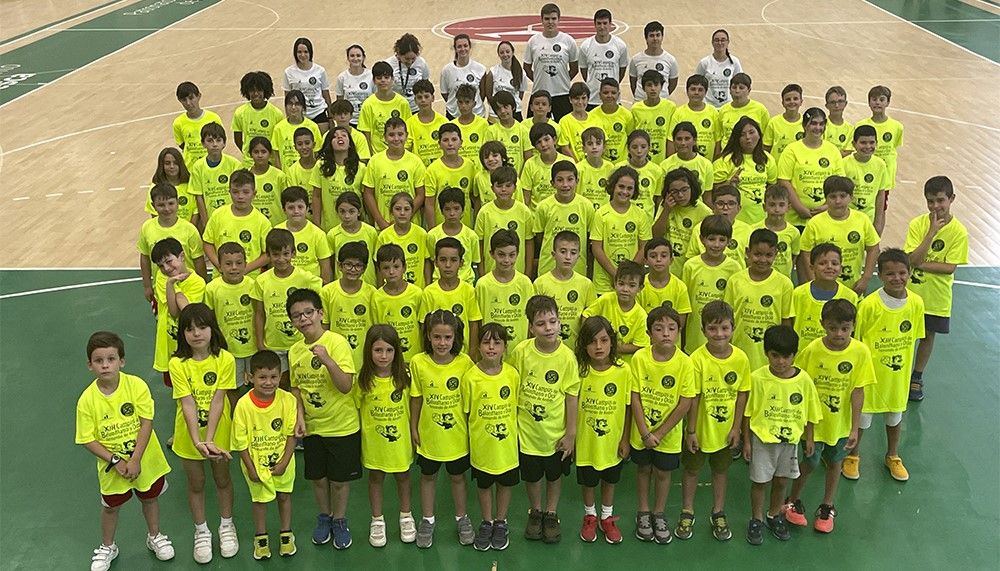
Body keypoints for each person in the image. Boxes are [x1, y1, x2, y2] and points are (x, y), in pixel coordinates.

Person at [76, 331, 175, 571]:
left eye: (111, 359)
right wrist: (116, 460)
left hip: (145, 462)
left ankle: (155, 536)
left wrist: (136, 459)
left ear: (122, 361)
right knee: (111, 507)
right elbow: (87, 439)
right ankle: (108, 546)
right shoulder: (87, 400)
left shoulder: (136, 385)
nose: (105, 365)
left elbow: (146, 422)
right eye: (99, 361)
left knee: (150, 499)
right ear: (90, 365)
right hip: (113, 468)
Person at [785, 299, 874, 533]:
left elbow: (858, 391)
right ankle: (792, 501)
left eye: (845, 328)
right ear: (822, 324)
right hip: (814, 425)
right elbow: (801, 388)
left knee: (836, 463)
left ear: (853, 326)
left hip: (841, 426)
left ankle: (827, 505)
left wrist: (855, 427)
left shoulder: (860, 352)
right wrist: (806, 427)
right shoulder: (812, 351)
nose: (839, 333)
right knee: (810, 463)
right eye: (833, 327)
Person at [286, 288, 359, 549]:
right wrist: (299, 416)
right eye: (297, 316)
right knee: (318, 478)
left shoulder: (336, 342)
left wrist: (327, 360)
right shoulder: (294, 351)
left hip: (341, 426)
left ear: (320, 313)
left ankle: (340, 519)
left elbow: (345, 386)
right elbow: (296, 388)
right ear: (292, 322)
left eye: (308, 312)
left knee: (339, 480)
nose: (304, 319)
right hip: (313, 427)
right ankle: (324, 517)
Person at [843, 249, 925, 482]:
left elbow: (915, 339)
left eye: (902, 273)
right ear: (880, 274)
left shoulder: (916, 304)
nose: (897, 278)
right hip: (871, 376)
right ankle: (853, 455)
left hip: (897, 377)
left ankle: (892, 455)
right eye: (890, 274)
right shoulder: (869, 305)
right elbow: (857, 341)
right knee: (862, 419)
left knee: (895, 417)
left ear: (910, 272)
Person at [169, 303, 239, 563]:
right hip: (189, 435)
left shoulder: (225, 359)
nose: (196, 333)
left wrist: (209, 439)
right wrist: (197, 440)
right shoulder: (177, 363)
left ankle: (226, 525)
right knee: (196, 484)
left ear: (213, 329)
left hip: (218, 431)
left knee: (222, 480)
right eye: (189, 329)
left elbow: (219, 400)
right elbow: (187, 403)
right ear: (183, 334)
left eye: (202, 327)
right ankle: (201, 531)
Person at [675, 301, 750, 542]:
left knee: (720, 471)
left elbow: (741, 395)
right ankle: (687, 510)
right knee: (691, 470)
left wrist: (737, 427)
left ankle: (718, 511)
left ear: (733, 328)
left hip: (726, 431)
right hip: (700, 430)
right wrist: (692, 430)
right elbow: (694, 397)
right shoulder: (696, 359)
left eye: (725, 328)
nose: (719, 334)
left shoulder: (741, 359)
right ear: (704, 329)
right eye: (713, 329)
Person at [510, 295, 580, 544]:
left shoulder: (567, 357)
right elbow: (512, 386)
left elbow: (572, 397)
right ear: (530, 327)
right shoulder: (521, 352)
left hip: (555, 434)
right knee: (532, 477)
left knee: (553, 476)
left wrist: (570, 434)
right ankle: (536, 510)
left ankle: (551, 512)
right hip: (527, 432)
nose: (548, 328)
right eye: (541, 323)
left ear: (560, 322)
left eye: (553, 321)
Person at [742, 325, 822, 546]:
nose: (781, 362)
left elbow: (810, 412)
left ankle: (773, 514)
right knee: (760, 482)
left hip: (790, 443)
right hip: (762, 441)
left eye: (787, 356)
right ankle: (756, 518)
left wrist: (809, 438)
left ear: (794, 355)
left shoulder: (804, 380)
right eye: (775, 356)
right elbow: (748, 413)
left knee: (781, 481)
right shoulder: (757, 378)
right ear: (766, 353)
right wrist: (746, 441)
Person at [409, 310, 476, 547]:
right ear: (427, 336)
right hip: (429, 436)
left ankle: (462, 518)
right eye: (437, 337)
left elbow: (470, 402)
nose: (442, 343)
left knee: (458, 478)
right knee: (428, 477)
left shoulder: (465, 362)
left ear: (455, 337)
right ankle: (427, 520)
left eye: (447, 337)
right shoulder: (418, 362)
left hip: (457, 436)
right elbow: (416, 398)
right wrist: (413, 427)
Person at [630, 306, 695, 544]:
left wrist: (660, 432)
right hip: (642, 433)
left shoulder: (685, 363)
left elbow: (685, 402)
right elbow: (634, 397)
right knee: (643, 470)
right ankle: (643, 512)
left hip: (668, 436)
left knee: (663, 473)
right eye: (658, 329)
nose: (665, 333)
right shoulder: (639, 358)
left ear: (679, 331)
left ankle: (659, 513)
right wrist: (645, 433)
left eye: (671, 328)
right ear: (649, 333)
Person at [231, 350, 299, 560]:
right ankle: (261, 538)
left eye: (273, 377)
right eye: (262, 377)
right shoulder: (243, 405)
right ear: (250, 378)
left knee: (284, 496)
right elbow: (240, 442)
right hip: (255, 464)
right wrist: (251, 468)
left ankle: (286, 534)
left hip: (283, 462)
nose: (268, 382)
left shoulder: (288, 400)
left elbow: (291, 434)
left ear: (280, 376)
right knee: (259, 501)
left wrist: (285, 462)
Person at [904, 176, 968, 401]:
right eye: (930, 201)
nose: (935, 206)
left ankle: (917, 377)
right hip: (911, 294)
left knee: (927, 336)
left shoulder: (959, 232)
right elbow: (911, 259)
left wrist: (920, 263)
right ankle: (901, 375)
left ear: (952, 199)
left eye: (940, 200)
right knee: (905, 335)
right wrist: (930, 233)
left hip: (936, 297)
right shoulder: (918, 225)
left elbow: (949, 267)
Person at [355, 326, 416, 547]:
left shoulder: (405, 378)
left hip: (400, 443)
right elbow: (355, 408)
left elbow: (413, 408)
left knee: (403, 477)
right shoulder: (363, 381)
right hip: (374, 445)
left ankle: (406, 515)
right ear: (369, 352)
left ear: (396, 352)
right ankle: (377, 519)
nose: (383, 356)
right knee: (376, 478)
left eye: (389, 350)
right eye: (378, 350)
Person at [575, 316, 632, 544]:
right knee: (588, 481)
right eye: (592, 342)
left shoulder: (623, 371)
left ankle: (607, 518)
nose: (598, 347)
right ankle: (590, 515)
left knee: (609, 480)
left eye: (604, 340)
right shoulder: (579, 370)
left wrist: (625, 439)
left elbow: (627, 408)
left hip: (612, 441)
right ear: (583, 345)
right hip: (586, 441)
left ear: (612, 342)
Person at [464, 324, 520, 551]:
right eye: (486, 342)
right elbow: (467, 413)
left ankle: (500, 521)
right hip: (482, 447)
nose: (491, 347)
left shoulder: (512, 375)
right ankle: (486, 521)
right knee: (485, 485)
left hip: (506, 448)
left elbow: (515, 408)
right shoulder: (470, 378)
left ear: (505, 348)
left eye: (497, 343)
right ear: (478, 347)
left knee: (505, 483)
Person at [251, 229, 323, 377]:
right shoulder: (261, 281)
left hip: (301, 341)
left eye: (286, 254)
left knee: (302, 379)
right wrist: (260, 343)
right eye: (276, 255)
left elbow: (324, 297)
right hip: (273, 344)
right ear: (268, 255)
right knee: (281, 382)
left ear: (293, 253)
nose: (281, 259)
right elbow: (259, 314)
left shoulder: (305, 278)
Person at [724, 229, 794, 370]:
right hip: (740, 351)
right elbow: (728, 318)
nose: (762, 260)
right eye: (757, 254)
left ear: (776, 254)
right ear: (748, 252)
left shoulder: (784, 284)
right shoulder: (735, 281)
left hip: (770, 358)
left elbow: (786, 322)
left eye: (768, 255)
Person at [799, 176, 879, 292]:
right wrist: (813, 280)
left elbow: (873, 248)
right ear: (826, 198)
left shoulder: (862, 220)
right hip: (823, 287)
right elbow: (806, 253)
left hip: (852, 287)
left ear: (851, 197)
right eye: (832, 196)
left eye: (842, 196)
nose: (837, 201)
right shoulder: (814, 223)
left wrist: (865, 279)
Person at [777, 107, 846, 230]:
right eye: (813, 123)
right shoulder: (791, 150)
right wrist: (799, 208)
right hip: (795, 219)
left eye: (821, 124)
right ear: (805, 126)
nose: (818, 128)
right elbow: (784, 181)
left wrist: (826, 207)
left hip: (825, 218)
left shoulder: (833, 150)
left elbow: (839, 183)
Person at [138, 183, 207, 304]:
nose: (167, 209)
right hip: (161, 287)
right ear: (153, 206)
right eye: (161, 205)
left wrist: (203, 283)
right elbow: (144, 257)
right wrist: (147, 286)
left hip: (188, 287)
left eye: (171, 203)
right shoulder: (147, 228)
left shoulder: (189, 229)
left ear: (178, 203)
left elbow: (199, 260)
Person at [681, 215, 741, 353]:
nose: (716, 244)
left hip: (722, 339)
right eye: (711, 239)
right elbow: (685, 305)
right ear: (702, 239)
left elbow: (734, 305)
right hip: (695, 338)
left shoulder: (735, 267)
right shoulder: (691, 266)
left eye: (722, 240)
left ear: (729, 241)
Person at [152, 238, 206, 386]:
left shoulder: (197, 283)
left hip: (191, 345)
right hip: (169, 344)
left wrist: (175, 291)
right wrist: (171, 285)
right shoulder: (162, 278)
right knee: (177, 387)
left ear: (182, 256)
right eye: (161, 266)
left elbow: (185, 311)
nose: (166, 269)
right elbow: (174, 310)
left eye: (169, 261)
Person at [203, 242, 258, 383]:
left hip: (254, 347)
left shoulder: (253, 285)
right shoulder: (212, 289)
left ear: (245, 264)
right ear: (219, 266)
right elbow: (209, 319)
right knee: (233, 386)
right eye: (228, 264)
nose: (234, 268)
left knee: (256, 383)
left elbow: (260, 314)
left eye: (239, 263)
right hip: (228, 349)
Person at [533, 230, 597, 348]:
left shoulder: (586, 285)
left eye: (573, 253)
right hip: (547, 349)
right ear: (553, 254)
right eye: (563, 251)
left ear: (578, 256)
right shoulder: (540, 284)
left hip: (576, 349)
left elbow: (590, 322)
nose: (568, 257)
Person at [591, 166, 651, 293]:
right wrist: (616, 275)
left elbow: (644, 247)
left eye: (629, 188)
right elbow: (596, 248)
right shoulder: (601, 214)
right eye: (621, 186)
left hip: (630, 284)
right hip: (604, 283)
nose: (625, 192)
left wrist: (628, 276)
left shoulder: (641, 215)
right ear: (613, 186)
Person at [201, 169, 270, 278]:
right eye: (235, 192)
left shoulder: (262, 222)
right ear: (229, 192)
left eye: (245, 192)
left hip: (250, 280)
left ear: (254, 193)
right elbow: (207, 243)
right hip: (220, 279)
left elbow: (268, 253)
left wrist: (245, 269)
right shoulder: (218, 214)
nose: (240, 196)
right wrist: (220, 266)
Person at [790, 243, 858, 351]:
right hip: (802, 357)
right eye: (822, 263)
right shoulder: (798, 294)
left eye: (834, 263)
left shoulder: (851, 297)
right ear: (812, 267)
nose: (829, 267)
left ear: (841, 268)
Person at [421, 238, 483, 354]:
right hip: (437, 354)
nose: (448, 265)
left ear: (461, 263)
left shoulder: (468, 290)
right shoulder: (429, 292)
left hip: (462, 354)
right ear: (436, 263)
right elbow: (424, 326)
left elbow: (474, 323)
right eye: (443, 260)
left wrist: (472, 351)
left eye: (453, 260)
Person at [320, 242, 376, 369]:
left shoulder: (372, 293)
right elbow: (324, 327)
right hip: (337, 356)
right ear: (339, 265)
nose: (353, 269)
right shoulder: (327, 292)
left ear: (365, 268)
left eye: (358, 266)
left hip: (364, 357)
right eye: (348, 265)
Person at [476, 230, 535, 349]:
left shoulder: (525, 283)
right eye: (501, 255)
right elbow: (477, 323)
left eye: (511, 255)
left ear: (518, 253)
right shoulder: (483, 285)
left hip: (519, 350)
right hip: (491, 352)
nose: (507, 260)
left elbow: (531, 319)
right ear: (492, 254)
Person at [363, 119, 426, 230]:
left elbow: (420, 195)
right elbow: (368, 193)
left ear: (406, 136)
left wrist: (406, 215)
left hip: (410, 225)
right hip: (383, 226)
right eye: (391, 135)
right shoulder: (375, 161)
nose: (396, 139)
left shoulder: (416, 162)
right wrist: (380, 221)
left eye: (400, 134)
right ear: (385, 137)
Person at [534, 160, 594, 277]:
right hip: (548, 268)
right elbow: (540, 238)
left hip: (577, 269)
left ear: (577, 181)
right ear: (552, 183)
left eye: (570, 179)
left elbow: (589, 240)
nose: (565, 185)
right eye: (560, 180)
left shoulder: (586, 206)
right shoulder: (543, 207)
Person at [583, 260, 651, 361]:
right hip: (598, 360)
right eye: (621, 283)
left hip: (625, 366)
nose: (625, 289)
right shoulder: (605, 300)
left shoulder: (641, 316)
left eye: (631, 285)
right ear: (615, 283)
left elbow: (639, 345)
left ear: (640, 288)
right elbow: (586, 316)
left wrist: (611, 346)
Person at [652, 166, 712, 276]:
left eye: (684, 190)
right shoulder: (666, 206)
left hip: (693, 269)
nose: (680, 195)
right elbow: (656, 235)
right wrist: (666, 210)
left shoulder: (705, 212)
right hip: (669, 269)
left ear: (692, 188)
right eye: (674, 191)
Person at [713, 117, 776, 223]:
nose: (748, 137)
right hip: (733, 221)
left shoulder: (768, 159)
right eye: (742, 135)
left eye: (752, 132)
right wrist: (729, 183)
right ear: (736, 138)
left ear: (759, 135)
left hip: (761, 219)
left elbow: (772, 188)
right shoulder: (724, 161)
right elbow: (714, 192)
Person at [476, 165, 536, 275]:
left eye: (508, 186)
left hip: (518, 273)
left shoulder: (524, 211)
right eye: (499, 186)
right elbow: (479, 245)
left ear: (515, 188)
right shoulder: (484, 212)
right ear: (492, 188)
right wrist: (481, 272)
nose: (503, 189)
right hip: (491, 273)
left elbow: (529, 243)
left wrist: (528, 272)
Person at [523, 3, 579, 120]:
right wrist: (540, 79)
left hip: (562, 94)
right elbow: (527, 67)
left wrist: (562, 80)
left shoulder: (568, 41)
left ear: (558, 20)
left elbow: (574, 68)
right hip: (539, 93)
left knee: (564, 129)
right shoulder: (533, 41)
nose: (550, 22)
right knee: (536, 129)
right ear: (541, 20)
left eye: (553, 18)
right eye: (547, 19)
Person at [371, 244, 425, 361]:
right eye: (386, 268)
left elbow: (422, 327)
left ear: (404, 267)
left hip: (414, 355)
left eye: (396, 267)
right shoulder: (376, 297)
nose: (391, 272)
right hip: (389, 358)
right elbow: (377, 329)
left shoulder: (417, 293)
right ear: (379, 270)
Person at [312, 126, 367, 231]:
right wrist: (316, 224)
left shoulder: (361, 168)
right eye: (335, 136)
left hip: (356, 225)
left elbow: (366, 198)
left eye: (344, 135)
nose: (339, 138)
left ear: (350, 143)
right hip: (330, 225)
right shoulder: (320, 166)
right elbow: (316, 196)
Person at [685, 185, 752, 270]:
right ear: (713, 207)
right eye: (720, 204)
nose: (725, 208)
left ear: (739, 208)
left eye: (731, 204)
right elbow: (691, 259)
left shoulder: (747, 230)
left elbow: (750, 263)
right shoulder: (699, 228)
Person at [854, 85, 904, 197]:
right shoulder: (860, 125)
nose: (877, 103)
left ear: (888, 102)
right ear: (869, 102)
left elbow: (894, 146)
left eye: (882, 100)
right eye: (874, 99)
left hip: (885, 174)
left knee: (882, 206)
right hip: (865, 171)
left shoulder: (897, 127)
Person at [424, 124, 477, 227]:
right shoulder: (432, 169)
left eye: (454, 139)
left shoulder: (470, 166)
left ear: (461, 142)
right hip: (441, 227)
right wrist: (432, 229)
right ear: (439, 144)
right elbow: (429, 203)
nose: (450, 144)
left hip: (465, 226)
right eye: (445, 140)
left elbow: (474, 197)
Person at [189, 123, 243, 223]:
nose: (214, 144)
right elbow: (199, 197)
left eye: (218, 140)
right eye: (210, 141)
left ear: (224, 143)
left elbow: (240, 192)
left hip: (233, 217)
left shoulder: (234, 164)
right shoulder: (198, 167)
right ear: (203, 143)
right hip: (211, 219)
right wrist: (206, 222)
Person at [375, 192, 431, 288]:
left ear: (412, 211)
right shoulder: (384, 236)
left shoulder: (421, 234)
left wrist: (428, 286)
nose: (402, 213)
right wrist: (380, 288)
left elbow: (427, 262)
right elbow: (379, 266)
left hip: (417, 289)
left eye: (406, 209)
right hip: (391, 289)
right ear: (391, 212)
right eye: (397, 209)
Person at [427, 188, 480, 284]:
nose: (452, 213)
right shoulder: (432, 235)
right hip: (439, 285)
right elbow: (432, 262)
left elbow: (474, 263)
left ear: (463, 209)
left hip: (465, 285)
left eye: (456, 208)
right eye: (447, 209)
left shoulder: (471, 236)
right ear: (441, 211)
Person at [358, 62, 413, 156]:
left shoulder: (403, 103)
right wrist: (370, 156)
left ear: (392, 79)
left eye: (386, 77)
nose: (383, 80)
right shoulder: (368, 104)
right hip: (377, 156)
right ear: (374, 81)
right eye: (379, 78)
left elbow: (408, 130)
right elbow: (366, 133)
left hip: (400, 155)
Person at [578, 9, 629, 109]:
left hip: (613, 99)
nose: (602, 27)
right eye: (599, 23)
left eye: (605, 23)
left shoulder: (620, 45)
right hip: (592, 99)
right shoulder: (586, 46)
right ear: (595, 24)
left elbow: (622, 70)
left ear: (610, 24)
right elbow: (584, 71)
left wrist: (612, 86)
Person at [636, 238, 692, 329]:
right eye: (653, 256)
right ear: (645, 261)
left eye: (664, 256)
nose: (658, 259)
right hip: (645, 340)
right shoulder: (639, 286)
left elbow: (680, 324)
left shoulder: (680, 287)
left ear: (671, 260)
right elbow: (637, 320)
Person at [843, 124, 889, 234]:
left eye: (872, 142)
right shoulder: (844, 164)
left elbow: (880, 194)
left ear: (877, 143)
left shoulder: (880, 164)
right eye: (863, 143)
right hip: (847, 218)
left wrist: (878, 222)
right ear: (854, 144)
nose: (868, 146)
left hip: (868, 219)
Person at [233, 71, 284, 167]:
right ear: (247, 92)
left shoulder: (277, 114)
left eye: (259, 90)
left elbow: (279, 141)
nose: (256, 94)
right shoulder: (240, 113)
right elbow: (238, 139)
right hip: (248, 164)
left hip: (270, 164)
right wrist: (250, 154)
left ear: (265, 91)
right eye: (252, 90)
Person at [327, 192, 378, 285]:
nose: (347, 216)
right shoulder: (333, 234)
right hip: (343, 285)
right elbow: (330, 264)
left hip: (368, 284)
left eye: (351, 211)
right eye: (342, 211)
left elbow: (375, 261)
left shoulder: (371, 232)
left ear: (359, 212)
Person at [751, 184, 800, 279]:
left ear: (788, 207)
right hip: (759, 278)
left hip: (783, 280)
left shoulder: (794, 232)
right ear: (764, 207)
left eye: (781, 205)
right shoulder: (753, 229)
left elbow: (794, 256)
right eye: (772, 205)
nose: (777, 209)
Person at [284, 37, 333, 132]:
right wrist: (288, 118)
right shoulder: (288, 72)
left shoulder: (320, 70)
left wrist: (330, 117)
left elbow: (326, 94)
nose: (302, 55)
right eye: (299, 52)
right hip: (299, 115)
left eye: (306, 52)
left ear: (310, 53)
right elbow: (287, 98)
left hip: (318, 113)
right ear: (295, 53)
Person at [522, 123, 575, 209]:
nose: (543, 145)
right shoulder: (530, 164)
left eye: (546, 139)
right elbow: (526, 197)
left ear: (554, 140)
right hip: (537, 214)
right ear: (534, 146)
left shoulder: (568, 161)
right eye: (539, 142)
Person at [667, 75, 719, 159]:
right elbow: (671, 140)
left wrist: (716, 162)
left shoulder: (713, 112)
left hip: (707, 165)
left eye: (700, 90)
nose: (696, 92)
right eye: (693, 89)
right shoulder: (678, 113)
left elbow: (718, 141)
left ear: (706, 92)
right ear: (687, 91)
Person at [173, 81, 223, 167]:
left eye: (191, 98)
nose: (188, 103)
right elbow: (183, 145)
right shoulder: (178, 123)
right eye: (184, 100)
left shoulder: (213, 118)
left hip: (212, 166)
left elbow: (221, 141)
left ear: (199, 96)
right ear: (179, 101)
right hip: (190, 169)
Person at [631, 70, 676, 165]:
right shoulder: (636, 109)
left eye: (656, 85)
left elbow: (671, 136)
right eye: (649, 85)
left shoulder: (670, 107)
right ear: (643, 88)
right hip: (641, 160)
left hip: (663, 161)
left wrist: (669, 161)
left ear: (661, 87)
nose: (653, 88)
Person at [271, 90, 323, 172]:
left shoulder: (313, 127)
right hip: (287, 176)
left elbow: (317, 153)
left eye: (297, 104)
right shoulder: (278, 128)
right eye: (290, 104)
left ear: (303, 107)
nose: (293, 107)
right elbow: (276, 154)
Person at [628, 21, 679, 101]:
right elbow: (633, 83)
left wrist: (662, 95)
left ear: (662, 37)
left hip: (662, 103)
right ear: (646, 38)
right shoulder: (636, 60)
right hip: (640, 102)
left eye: (658, 35)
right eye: (651, 36)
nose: (655, 39)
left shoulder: (671, 60)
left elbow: (673, 83)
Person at [716, 73, 769, 149]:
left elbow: (765, 137)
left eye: (741, 88)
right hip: (728, 155)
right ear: (729, 90)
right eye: (734, 87)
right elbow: (719, 137)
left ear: (749, 90)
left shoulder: (760, 110)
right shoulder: (723, 110)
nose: (737, 91)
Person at [145, 147, 198, 225]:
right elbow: (155, 215)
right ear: (161, 166)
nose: (172, 166)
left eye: (175, 163)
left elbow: (196, 212)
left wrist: (188, 230)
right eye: (167, 163)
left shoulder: (191, 184)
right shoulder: (154, 188)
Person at [660, 123, 713, 198]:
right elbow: (662, 196)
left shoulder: (706, 164)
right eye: (679, 139)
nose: (683, 143)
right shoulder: (664, 165)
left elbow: (707, 197)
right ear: (674, 141)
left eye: (687, 139)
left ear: (694, 141)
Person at [441, 34, 487, 119]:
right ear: (455, 49)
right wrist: (456, 104)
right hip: (454, 115)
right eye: (459, 46)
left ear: (470, 47)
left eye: (465, 46)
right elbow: (445, 93)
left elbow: (482, 94)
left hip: (477, 114)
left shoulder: (480, 69)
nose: (463, 49)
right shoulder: (447, 70)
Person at [619, 129, 661, 219]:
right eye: (634, 147)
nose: (639, 151)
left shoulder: (657, 171)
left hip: (647, 219)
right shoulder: (619, 168)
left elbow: (657, 199)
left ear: (649, 148)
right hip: (623, 218)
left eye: (643, 147)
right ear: (628, 148)